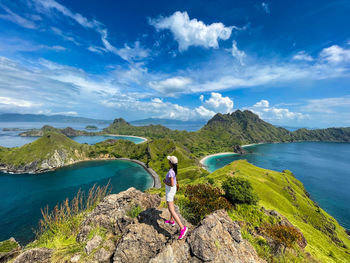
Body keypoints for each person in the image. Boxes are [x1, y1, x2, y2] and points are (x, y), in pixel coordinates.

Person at [163, 155, 188, 239]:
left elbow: (172, 183)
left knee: (171, 209)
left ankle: (182, 228)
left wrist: (165, 182)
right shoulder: (174, 170)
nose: (168, 161)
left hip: (170, 191)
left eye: (169, 160)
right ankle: (171, 221)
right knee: (172, 206)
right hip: (172, 190)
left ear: (170, 162)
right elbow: (174, 182)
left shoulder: (170, 172)